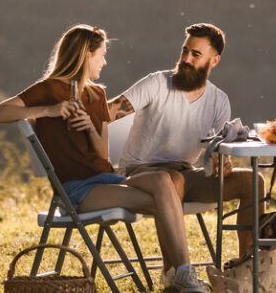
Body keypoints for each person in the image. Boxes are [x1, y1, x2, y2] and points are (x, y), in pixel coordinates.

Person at [0, 24, 211, 293]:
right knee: (166, 200)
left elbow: (102, 154)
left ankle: (179, 275)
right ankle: (182, 276)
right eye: (101, 55)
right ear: (85, 56)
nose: (104, 61)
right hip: (77, 190)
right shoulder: (49, 90)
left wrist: (89, 127)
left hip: (109, 178)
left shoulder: (97, 95)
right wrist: (49, 110)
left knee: (164, 181)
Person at [106, 23, 265, 260]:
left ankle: (249, 265)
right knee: (175, 180)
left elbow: (216, 151)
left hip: (184, 174)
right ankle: (177, 272)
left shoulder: (219, 101)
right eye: (185, 51)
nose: (186, 59)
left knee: (253, 181)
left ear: (214, 61)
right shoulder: (157, 83)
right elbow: (105, 113)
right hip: (140, 174)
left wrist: (222, 162)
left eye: (196, 54)